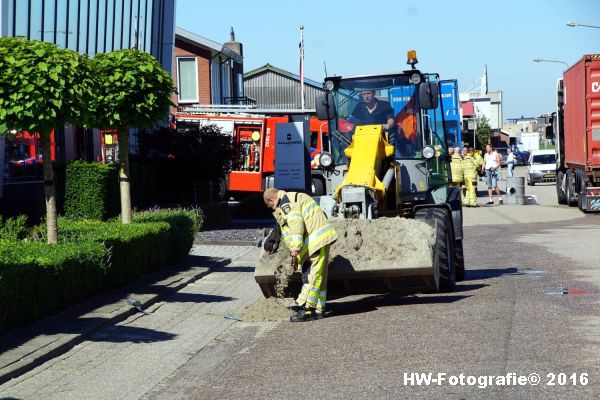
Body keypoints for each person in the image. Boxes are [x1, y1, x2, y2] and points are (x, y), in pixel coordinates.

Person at [263, 188, 338, 322]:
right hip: (319, 240)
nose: (272, 208)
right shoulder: (293, 197)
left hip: (315, 241)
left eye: (270, 206)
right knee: (319, 276)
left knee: (311, 276)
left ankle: (307, 309)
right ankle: (319, 310)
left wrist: (295, 249)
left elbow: (296, 224)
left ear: (271, 200)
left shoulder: (286, 203)